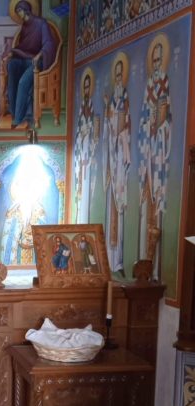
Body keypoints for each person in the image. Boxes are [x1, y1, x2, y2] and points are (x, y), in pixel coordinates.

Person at [138, 38, 171, 269]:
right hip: (147, 150)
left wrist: (160, 124)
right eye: (155, 60)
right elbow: (140, 119)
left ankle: (153, 267)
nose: (157, 64)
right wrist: (146, 122)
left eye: (160, 60)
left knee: (157, 201)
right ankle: (143, 261)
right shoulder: (148, 86)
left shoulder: (164, 84)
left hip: (159, 151)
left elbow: (168, 118)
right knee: (145, 206)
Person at [3, 0, 57, 129]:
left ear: (25, 9)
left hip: (38, 62)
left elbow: (49, 44)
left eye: (19, 10)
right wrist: (11, 54)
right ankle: (13, 111)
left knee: (23, 82)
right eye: (17, 12)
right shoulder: (25, 26)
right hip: (25, 59)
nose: (19, 14)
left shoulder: (41, 23)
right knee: (12, 66)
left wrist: (39, 55)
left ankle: (18, 118)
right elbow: (23, 47)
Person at [103, 56, 131, 272]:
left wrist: (119, 135)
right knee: (110, 207)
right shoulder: (112, 101)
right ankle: (109, 258)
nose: (119, 79)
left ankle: (118, 259)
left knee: (119, 208)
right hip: (112, 158)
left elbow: (125, 127)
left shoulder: (124, 100)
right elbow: (108, 127)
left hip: (120, 158)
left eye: (121, 75)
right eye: (117, 75)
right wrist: (108, 111)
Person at [74, 71, 98, 223]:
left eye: (89, 87)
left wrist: (90, 134)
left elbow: (93, 131)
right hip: (81, 156)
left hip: (88, 157)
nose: (87, 90)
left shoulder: (91, 108)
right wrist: (82, 134)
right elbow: (78, 132)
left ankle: (85, 221)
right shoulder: (82, 108)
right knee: (81, 191)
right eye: (85, 87)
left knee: (87, 190)